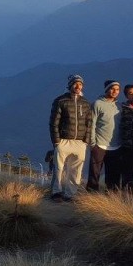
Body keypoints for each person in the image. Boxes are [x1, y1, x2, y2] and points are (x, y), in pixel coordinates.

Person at [49, 74, 92, 202]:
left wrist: (86, 141)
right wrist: (56, 141)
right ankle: (56, 193)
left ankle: (70, 194)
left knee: (76, 170)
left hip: (80, 142)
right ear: (70, 85)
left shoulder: (86, 103)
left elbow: (89, 123)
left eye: (80, 84)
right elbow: (54, 123)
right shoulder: (60, 101)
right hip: (63, 140)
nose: (78, 86)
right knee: (59, 168)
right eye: (75, 83)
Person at [90, 80, 123, 191]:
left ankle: (112, 195)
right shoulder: (97, 104)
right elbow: (91, 124)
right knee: (95, 173)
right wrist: (93, 143)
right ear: (106, 89)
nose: (115, 91)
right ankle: (91, 194)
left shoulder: (119, 106)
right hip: (99, 145)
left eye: (117, 89)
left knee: (114, 173)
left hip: (116, 146)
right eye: (112, 88)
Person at [118, 84, 133, 192]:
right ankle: (127, 195)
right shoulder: (122, 108)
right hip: (127, 146)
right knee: (127, 173)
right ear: (126, 96)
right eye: (131, 93)